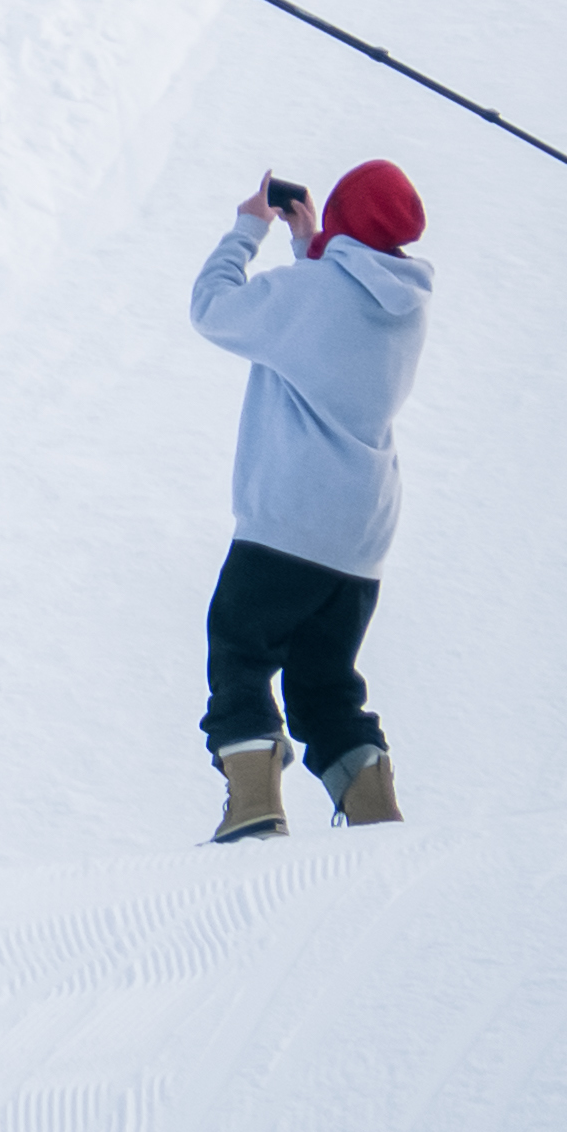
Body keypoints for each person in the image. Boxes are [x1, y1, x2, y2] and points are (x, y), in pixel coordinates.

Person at [188, 161, 435, 840]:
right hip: (362, 536)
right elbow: (338, 320)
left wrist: (249, 228)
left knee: (239, 653)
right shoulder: (406, 307)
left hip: (289, 520)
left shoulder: (306, 292)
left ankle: (254, 808)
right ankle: (372, 809)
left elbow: (212, 308)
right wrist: (311, 245)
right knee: (324, 681)